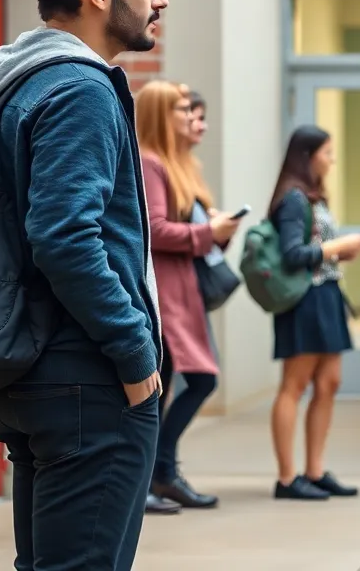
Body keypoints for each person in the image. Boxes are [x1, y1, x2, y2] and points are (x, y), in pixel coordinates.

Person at [0, 0, 169, 570]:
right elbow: (63, 235)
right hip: (89, 379)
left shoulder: (18, 83)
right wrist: (136, 355)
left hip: (36, 372)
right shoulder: (80, 89)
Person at [136, 81, 240, 514]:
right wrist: (206, 232)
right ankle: (152, 478)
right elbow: (155, 229)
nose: (192, 116)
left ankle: (161, 474)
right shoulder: (150, 163)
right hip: (165, 292)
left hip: (183, 289)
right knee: (180, 384)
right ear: (161, 115)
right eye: (182, 109)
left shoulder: (180, 165)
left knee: (189, 381)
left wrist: (216, 231)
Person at [267, 124, 360, 500]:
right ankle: (287, 477)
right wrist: (336, 247)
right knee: (294, 385)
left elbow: (316, 248)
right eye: (327, 152)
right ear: (307, 157)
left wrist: (339, 251)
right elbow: (293, 255)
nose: (332, 159)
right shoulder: (293, 199)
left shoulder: (313, 197)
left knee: (329, 383)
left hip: (326, 293)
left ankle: (315, 470)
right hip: (304, 299)